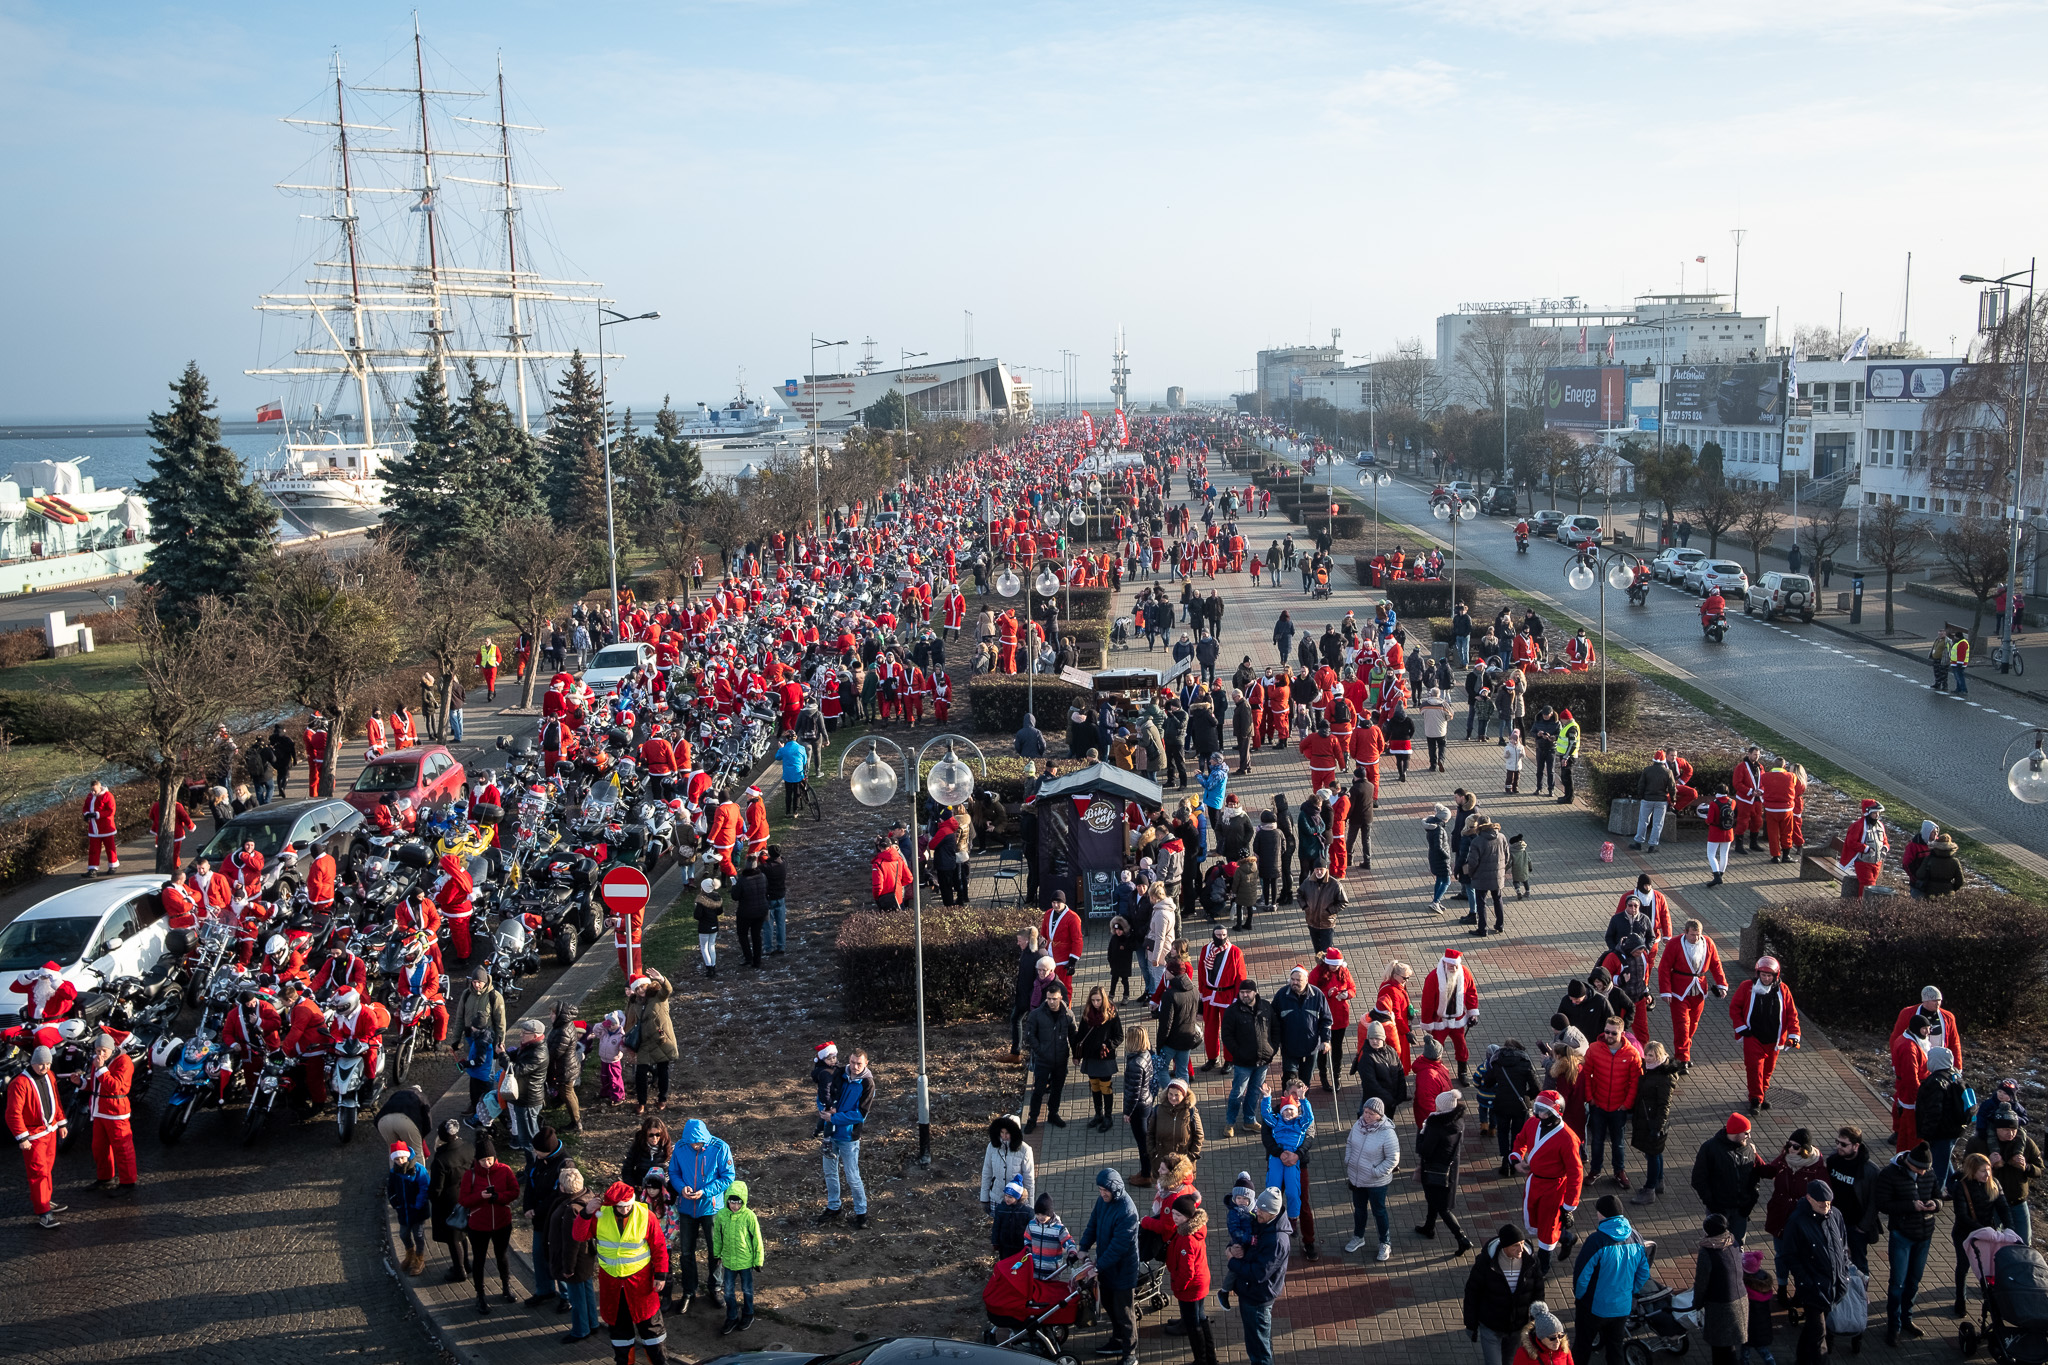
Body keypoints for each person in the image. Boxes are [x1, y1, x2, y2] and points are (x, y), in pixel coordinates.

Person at [579, 1179, 671, 1364]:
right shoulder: (599, 1215)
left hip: (641, 1285)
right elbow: (579, 1235)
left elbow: (659, 1246)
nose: (625, 1210)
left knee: (653, 1333)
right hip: (613, 1287)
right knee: (620, 1336)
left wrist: (661, 1275)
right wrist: (586, 1213)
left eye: (628, 1206)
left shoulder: (646, 1215)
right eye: (620, 1207)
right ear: (612, 1204)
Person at [1572, 1193, 1652, 1365]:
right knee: (1615, 1349)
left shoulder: (1596, 1240)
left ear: (1601, 1214)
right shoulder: (1636, 1236)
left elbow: (1582, 1276)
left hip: (1593, 1307)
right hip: (1622, 1307)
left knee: (1582, 1347)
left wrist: (1580, 1297)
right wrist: (1630, 1292)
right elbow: (1644, 1272)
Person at [1779, 1178, 1851, 1365]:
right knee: (1819, 1334)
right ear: (1809, 1198)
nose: (1826, 1206)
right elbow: (1789, 1255)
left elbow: (1843, 1245)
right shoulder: (1797, 1221)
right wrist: (1806, 1281)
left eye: (1829, 1202)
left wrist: (1845, 1272)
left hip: (1834, 1286)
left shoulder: (1835, 1215)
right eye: (1821, 1203)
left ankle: (1801, 1360)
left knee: (1814, 1330)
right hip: (1813, 1289)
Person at [668, 1117, 737, 1310]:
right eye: (692, 1143)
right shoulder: (681, 1148)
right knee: (686, 1252)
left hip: (711, 1208)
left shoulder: (720, 1148)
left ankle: (715, 1287)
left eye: (698, 1143)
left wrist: (705, 1192)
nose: (695, 1146)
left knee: (716, 1251)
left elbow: (728, 1176)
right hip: (686, 1209)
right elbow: (673, 1172)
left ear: (705, 1139)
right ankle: (689, 1291)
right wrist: (681, 1188)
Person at [1511, 1090, 1583, 1272]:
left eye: (1543, 1111)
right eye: (1537, 1109)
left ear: (1555, 1112)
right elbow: (1521, 1140)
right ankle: (1566, 1237)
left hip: (1555, 1188)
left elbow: (1576, 1173)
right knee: (1535, 1219)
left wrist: (1568, 1206)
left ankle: (1543, 1267)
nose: (1538, 1114)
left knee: (1548, 1228)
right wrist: (1516, 1159)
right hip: (1534, 1182)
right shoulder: (1533, 1122)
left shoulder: (1568, 1138)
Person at [1081, 1168, 1142, 1365]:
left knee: (1124, 1312)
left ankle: (1130, 1354)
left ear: (1114, 1189)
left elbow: (1118, 1248)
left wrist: (1097, 1267)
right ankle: (1117, 1340)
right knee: (1108, 1304)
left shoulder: (1127, 1211)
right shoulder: (1103, 1202)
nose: (1102, 1193)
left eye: (1105, 1190)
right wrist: (1083, 1247)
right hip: (1106, 1267)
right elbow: (1093, 1224)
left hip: (1123, 1271)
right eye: (1100, 1189)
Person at [5, 1045, 67, 1228]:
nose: (45, 1068)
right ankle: (43, 1212)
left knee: (46, 1169)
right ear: (33, 1063)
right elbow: (12, 1113)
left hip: (49, 1132)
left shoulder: (50, 1076)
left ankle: (45, 1201)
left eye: (48, 1064)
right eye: (41, 1064)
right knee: (38, 1172)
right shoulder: (19, 1084)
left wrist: (61, 1122)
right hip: (33, 1136)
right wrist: (22, 1138)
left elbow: (55, 1100)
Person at [458, 1134, 519, 1314]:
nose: (487, 1164)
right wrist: (480, 1197)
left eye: (490, 1159)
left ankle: (506, 1287)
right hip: (478, 1225)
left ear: (495, 1157)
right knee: (479, 1259)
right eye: (483, 1160)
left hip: (502, 1222)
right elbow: (463, 1200)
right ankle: (480, 1295)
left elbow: (514, 1191)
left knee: (502, 1256)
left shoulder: (505, 1170)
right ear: (477, 1159)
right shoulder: (470, 1175)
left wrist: (499, 1197)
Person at [1729, 956, 1799, 1113]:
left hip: (1774, 1040)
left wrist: (1794, 1035)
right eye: (1763, 975)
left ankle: (1762, 1095)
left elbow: (1791, 1015)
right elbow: (1735, 1008)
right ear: (1757, 974)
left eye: (1769, 976)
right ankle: (1755, 1099)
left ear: (1776, 976)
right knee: (1754, 1068)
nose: (1766, 979)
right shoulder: (1747, 987)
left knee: (1767, 1070)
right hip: (1753, 1036)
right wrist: (1741, 1027)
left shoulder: (1783, 990)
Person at [1966, 1107, 2042, 1246]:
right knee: (1995, 1245)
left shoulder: (2025, 1143)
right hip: (1991, 1201)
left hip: (2018, 1202)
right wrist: (1988, 1165)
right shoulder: (1979, 1142)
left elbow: (2039, 1170)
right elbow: (1966, 1170)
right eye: (2006, 1130)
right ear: (1996, 1128)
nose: (2011, 1133)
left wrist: (2027, 1167)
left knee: (2024, 1244)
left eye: (2014, 1129)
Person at [1582, 1016, 1641, 1192]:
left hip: (1618, 1108)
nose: (1609, 1035)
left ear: (1621, 1033)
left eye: (1613, 1033)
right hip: (1598, 1105)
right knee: (1597, 1141)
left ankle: (1619, 1171)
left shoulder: (1631, 1054)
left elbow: (1635, 1082)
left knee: (1618, 1142)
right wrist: (1590, 1098)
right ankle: (1595, 1170)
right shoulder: (1594, 1049)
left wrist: (1626, 1104)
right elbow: (1586, 1075)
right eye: (1607, 1031)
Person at [1949, 1152, 2012, 1316]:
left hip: (1987, 1234)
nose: (1988, 1174)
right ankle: (1960, 1299)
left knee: (1988, 1268)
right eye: (1983, 1171)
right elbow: (1962, 1216)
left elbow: (2003, 1208)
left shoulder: (1994, 1183)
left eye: (1989, 1169)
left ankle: (1989, 1299)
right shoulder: (1960, 1186)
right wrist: (1981, 1229)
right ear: (1972, 1171)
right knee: (1963, 1266)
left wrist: (2009, 1228)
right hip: (1964, 1233)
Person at [1235, 1187, 1292, 1365]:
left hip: (1258, 1298)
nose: (1257, 1212)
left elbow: (1259, 1273)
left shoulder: (1277, 1241)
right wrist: (1236, 1247)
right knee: (1256, 1341)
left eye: (1262, 1210)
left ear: (1273, 1213)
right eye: (1258, 1208)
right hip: (1250, 1293)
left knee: (1259, 1349)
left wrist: (1232, 1261)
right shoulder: (1263, 1222)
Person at [1692, 1112, 1766, 1245]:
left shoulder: (1748, 1150)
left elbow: (1755, 1177)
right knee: (1715, 1245)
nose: (1749, 1136)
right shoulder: (1710, 1149)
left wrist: (1750, 1202)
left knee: (1738, 1247)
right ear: (1736, 1132)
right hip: (1719, 1210)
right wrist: (1711, 1203)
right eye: (1746, 1133)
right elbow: (1698, 1179)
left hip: (1741, 1211)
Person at [822, 1050, 875, 1227]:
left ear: (866, 1063)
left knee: (852, 1176)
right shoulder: (840, 1074)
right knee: (830, 1173)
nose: (854, 1067)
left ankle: (861, 1213)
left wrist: (834, 1118)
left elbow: (860, 1115)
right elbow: (823, 1092)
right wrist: (822, 1109)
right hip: (830, 1133)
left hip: (849, 1137)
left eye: (859, 1063)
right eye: (852, 1062)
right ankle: (833, 1206)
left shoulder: (867, 1084)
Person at [549, 1165, 602, 1344]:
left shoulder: (571, 1209)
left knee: (577, 1297)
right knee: (587, 1290)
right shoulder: (586, 1198)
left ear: (563, 1188)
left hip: (576, 1260)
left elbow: (571, 1242)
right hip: (586, 1257)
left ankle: (581, 1330)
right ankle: (592, 1324)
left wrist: (568, 1268)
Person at [1416, 1088, 1473, 1252]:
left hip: (1435, 1169)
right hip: (1449, 1169)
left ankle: (1461, 1238)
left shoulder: (1436, 1126)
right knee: (1435, 1199)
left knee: (1442, 1206)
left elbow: (1424, 1150)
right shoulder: (1458, 1120)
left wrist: (1420, 1135)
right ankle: (1429, 1226)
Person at [84, 1028, 137, 1195]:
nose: (100, 1054)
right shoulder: (99, 1061)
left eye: (103, 1051)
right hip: (100, 1111)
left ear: (112, 1048)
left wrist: (100, 1069)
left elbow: (115, 1087)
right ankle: (105, 1178)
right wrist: (81, 1083)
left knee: (122, 1148)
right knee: (99, 1147)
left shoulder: (124, 1062)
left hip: (116, 1112)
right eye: (97, 1051)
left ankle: (128, 1182)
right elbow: (95, 1085)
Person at [1165, 1192, 1216, 1365]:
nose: (1174, 1218)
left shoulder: (1187, 1239)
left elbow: (1187, 1271)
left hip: (1190, 1288)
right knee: (1201, 1318)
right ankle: (1211, 1359)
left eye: (1178, 1215)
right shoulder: (1195, 1229)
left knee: (1193, 1326)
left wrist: (1178, 1287)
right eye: (1173, 1214)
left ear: (1188, 1217)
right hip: (1200, 1283)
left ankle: (1200, 1360)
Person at [1693, 1213, 1747, 1365]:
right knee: (1729, 1346)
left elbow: (1701, 1282)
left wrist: (1697, 1302)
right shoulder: (1733, 1241)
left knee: (1720, 1350)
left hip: (1721, 1305)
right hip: (1740, 1299)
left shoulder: (1707, 1252)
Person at [712, 1180, 764, 1335]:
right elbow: (718, 1237)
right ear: (727, 1200)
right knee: (728, 1291)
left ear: (744, 1201)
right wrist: (717, 1254)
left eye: (738, 1202)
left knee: (747, 1290)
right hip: (728, 1261)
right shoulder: (721, 1215)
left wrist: (758, 1260)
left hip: (746, 1261)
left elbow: (757, 1239)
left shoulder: (749, 1216)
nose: (734, 1206)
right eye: (732, 1202)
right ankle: (732, 1316)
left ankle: (748, 1314)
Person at [1025, 984, 1078, 1133]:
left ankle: (1053, 1114)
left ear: (1060, 998)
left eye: (1054, 999)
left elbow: (1073, 1036)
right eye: (1048, 999)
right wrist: (1040, 1051)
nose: (1051, 1002)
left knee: (1057, 1089)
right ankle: (1032, 1119)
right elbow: (1030, 1035)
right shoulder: (1036, 1015)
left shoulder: (1068, 1015)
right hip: (1043, 1060)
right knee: (1038, 1091)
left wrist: (1076, 1055)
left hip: (1060, 1059)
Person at [1270, 966, 1333, 1090]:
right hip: (1289, 1048)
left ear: (1306, 980)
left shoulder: (1317, 995)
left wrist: (1326, 1040)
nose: (1294, 983)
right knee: (1289, 1080)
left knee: (1305, 1082)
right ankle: (1286, 1106)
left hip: (1311, 1048)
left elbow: (1326, 1019)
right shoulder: (1282, 995)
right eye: (1292, 979)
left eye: (1298, 980)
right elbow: (1273, 1019)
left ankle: (1302, 1106)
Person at [624, 970, 676, 1113]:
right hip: (644, 1041)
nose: (641, 990)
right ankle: (641, 1102)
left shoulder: (658, 996)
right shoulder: (635, 1002)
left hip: (661, 1039)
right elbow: (631, 1019)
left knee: (662, 1069)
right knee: (640, 1072)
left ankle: (662, 1098)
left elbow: (668, 990)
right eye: (637, 988)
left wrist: (661, 979)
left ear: (648, 984)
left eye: (642, 986)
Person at [1076, 987, 1126, 1133]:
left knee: (1106, 1088)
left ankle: (1108, 1117)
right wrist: (1077, 1055)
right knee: (1095, 1087)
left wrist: (1109, 1045)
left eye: (1098, 1000)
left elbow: (1119, 1036)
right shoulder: (1087, 1014)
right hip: (1090, 1057)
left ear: (1103, 999)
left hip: (1104, 1058)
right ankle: (1098, 1114)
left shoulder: (1111, 1014)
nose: (1096, 1003)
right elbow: (1081, 1035)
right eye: (1093, 1000)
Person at [980, 1113, 1035, 1210]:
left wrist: (1030, 1206)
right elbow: (987, 1172)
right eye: (1002, 1132)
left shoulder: (1025, 1150)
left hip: (1016, 1201)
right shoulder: (992, 1147)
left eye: (1007, 1133)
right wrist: (984, 1198)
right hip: (996, 1198)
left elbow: (1029, 1180)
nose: (1004, 1136)